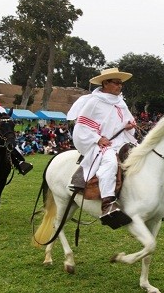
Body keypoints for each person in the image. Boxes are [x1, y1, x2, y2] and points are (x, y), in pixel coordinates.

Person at [67, 68, 137, 220]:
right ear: (106, 83)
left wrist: (129, 126)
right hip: (102, 144)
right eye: (116, 83)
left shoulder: (120, 102)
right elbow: (82, 126)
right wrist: (97, 139)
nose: (120, 86)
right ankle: (107, 203)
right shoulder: (94, 102)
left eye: (121, 83)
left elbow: (124, 121)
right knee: (111, 163)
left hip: (122, 141)